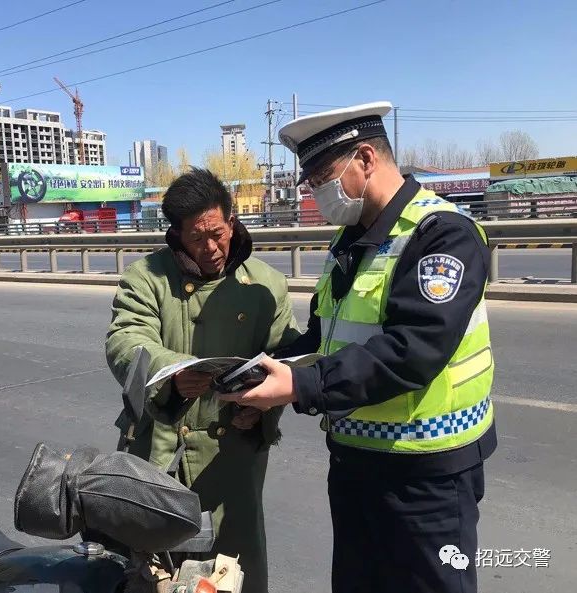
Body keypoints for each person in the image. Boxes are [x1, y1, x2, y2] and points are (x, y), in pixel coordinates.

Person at [220, 102, 497, 593]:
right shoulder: (350, 240)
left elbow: (414, 348)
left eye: (321, 178)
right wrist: (265, 372)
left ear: (366, 159)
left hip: (426, 475)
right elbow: (324, 336)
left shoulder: (441, 234)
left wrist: (301, 385)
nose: (314, 192)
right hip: (354, 465)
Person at [105, 167, 299, 593]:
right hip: (159, 451)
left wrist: (263, 405)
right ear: (176, 235)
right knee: (155, 574)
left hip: (232, 456)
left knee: (234, 573)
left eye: (218, 233)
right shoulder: (146, 277)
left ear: (231, 220)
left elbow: (285, 357)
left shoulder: (266, 285)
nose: (211, 248)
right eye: (196, 238)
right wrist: (172, 374)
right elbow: (126, 340)